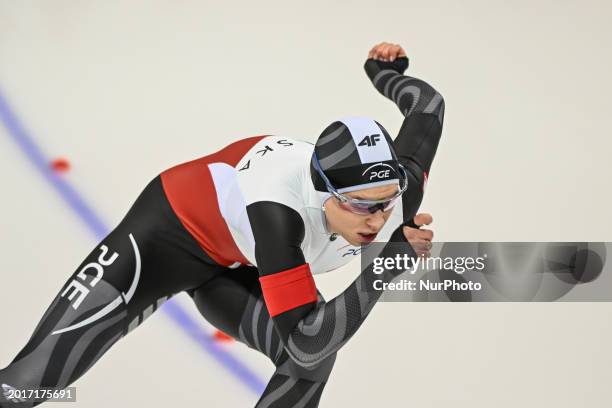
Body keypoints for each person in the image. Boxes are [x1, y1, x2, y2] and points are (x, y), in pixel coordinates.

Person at [0, 42, 444, 407]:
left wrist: (384, 72)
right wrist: (383, 269)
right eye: (361, 206)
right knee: (25, 386)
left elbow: (427, 107)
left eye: (387, 203)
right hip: (165, 239)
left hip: (238, 266)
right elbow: (308, 338)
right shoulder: (279, 210)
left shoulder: (395, 194)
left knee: (310, 364)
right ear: (322, 192)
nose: (379, 219)